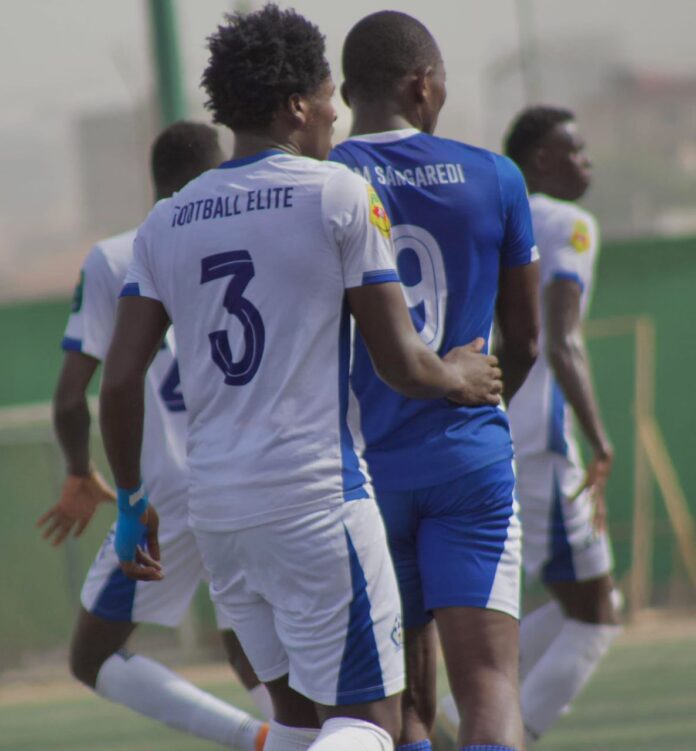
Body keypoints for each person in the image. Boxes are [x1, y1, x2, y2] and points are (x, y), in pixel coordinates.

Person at [98, 6, 504, 751]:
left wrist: (130, 503)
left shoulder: (167, 220)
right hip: (315, 498)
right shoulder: (335, 194)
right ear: (295, 106)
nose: (335, 115)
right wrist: (458, 375)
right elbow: (400, 361)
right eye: (326, 98)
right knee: (371, 724)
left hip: (220, 513)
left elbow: (120, 381)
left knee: (295, 723)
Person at [332, 11, 540, 751]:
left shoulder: (323, 182)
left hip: (363, 470)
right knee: (489, 683)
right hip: (467, 460)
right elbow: (527, 339)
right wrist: (477, 399)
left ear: (348, 93)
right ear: (423, 84)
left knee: (402, 708)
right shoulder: (495, 175)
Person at [37, 121, 271, 751]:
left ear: (156, 182)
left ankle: (261, 739)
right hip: (258, 472)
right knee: (251, 643)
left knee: (92, 656)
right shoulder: (257, 235)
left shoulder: (119, 255)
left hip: (167, 493)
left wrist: (80, 470)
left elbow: (72, 398)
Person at [502, 106, 621, 745]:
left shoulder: (494, 213)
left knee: (585, 601)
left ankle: (461, 715)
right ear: (542, 160)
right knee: (596, 615)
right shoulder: (567, 223)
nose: (587, 163)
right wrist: (600, 439)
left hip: (488, 429)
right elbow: (561, 341)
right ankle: (494, 734)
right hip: (539, 437)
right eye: (575, 151)